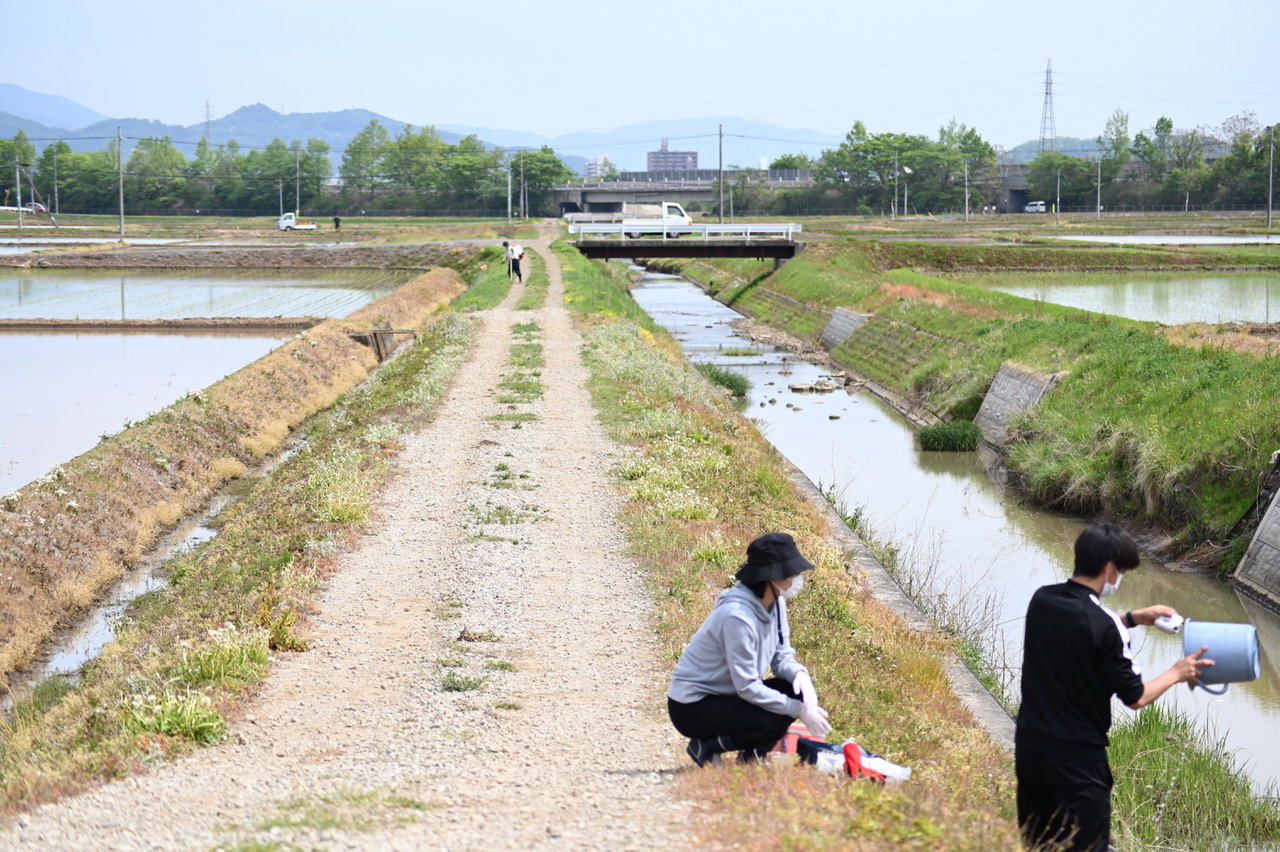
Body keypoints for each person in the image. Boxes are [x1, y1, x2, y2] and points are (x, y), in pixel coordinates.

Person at [1016, 522, 1214, 852]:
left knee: (1039, 844)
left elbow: (1084, 628)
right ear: (1109, 569)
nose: (1119, 578)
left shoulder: (1043, 600)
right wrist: (1177, 672)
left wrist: (1133, 617)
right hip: (1077, 762)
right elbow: (1136, 697)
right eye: (1121, 571)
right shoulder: (1106, 627)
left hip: (1031, 748)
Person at [668, 532, 834, 766]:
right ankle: (706, 746)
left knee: (794, 690)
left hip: (728, 695)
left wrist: (800, 675)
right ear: (772, 577)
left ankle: (750, 756)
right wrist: (798, 709)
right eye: (792, 572)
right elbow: (747, 687)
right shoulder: (737, 617)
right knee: (775, 718)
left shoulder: (776, 602)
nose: (797, 577)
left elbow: (781, 655)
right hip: (694, 705)